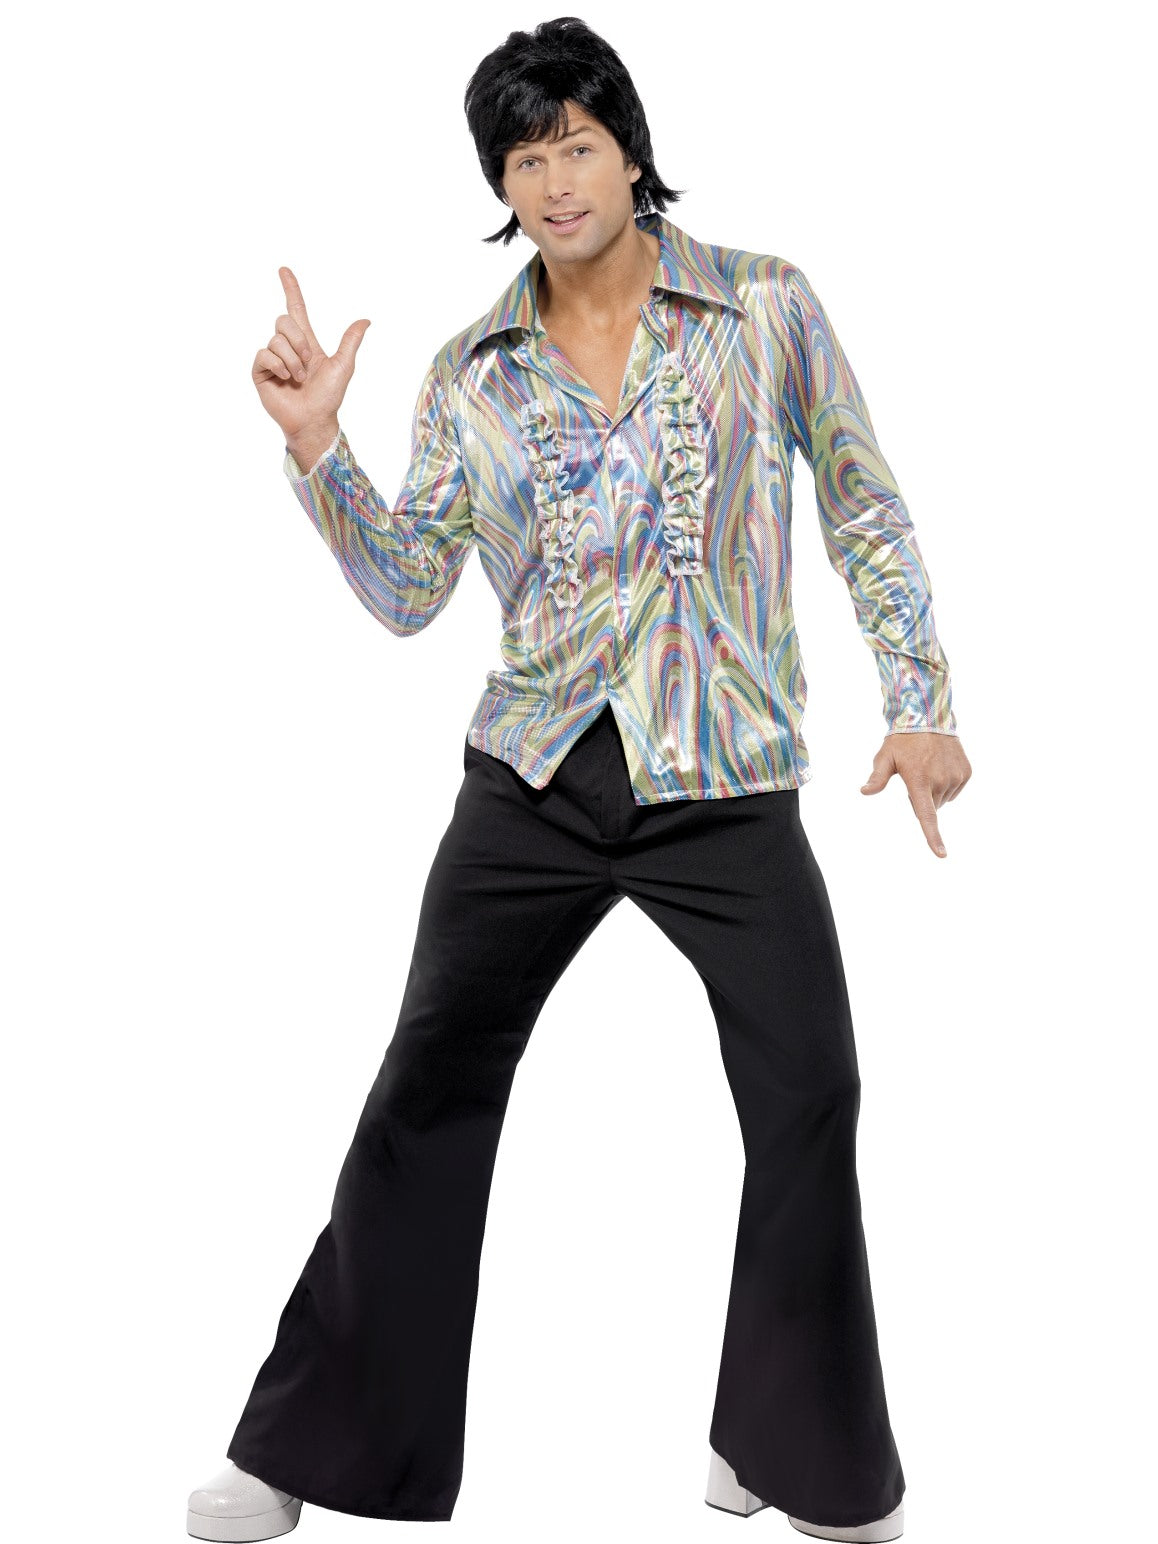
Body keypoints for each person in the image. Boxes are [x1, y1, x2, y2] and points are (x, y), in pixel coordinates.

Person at [187, 16, 970, 1543]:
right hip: (531, 780)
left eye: (576, 146)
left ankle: (787, 1451)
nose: (553, 180)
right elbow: (409, 591)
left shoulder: (762, 305)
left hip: (721, 776)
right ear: (498, 181)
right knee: (425, 1087)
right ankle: (308, 1452)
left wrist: (920, 702)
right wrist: (320, 453)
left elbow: (863, 507)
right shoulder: (471, 371)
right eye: (522, 157)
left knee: (810, 1093)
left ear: (628, 151)